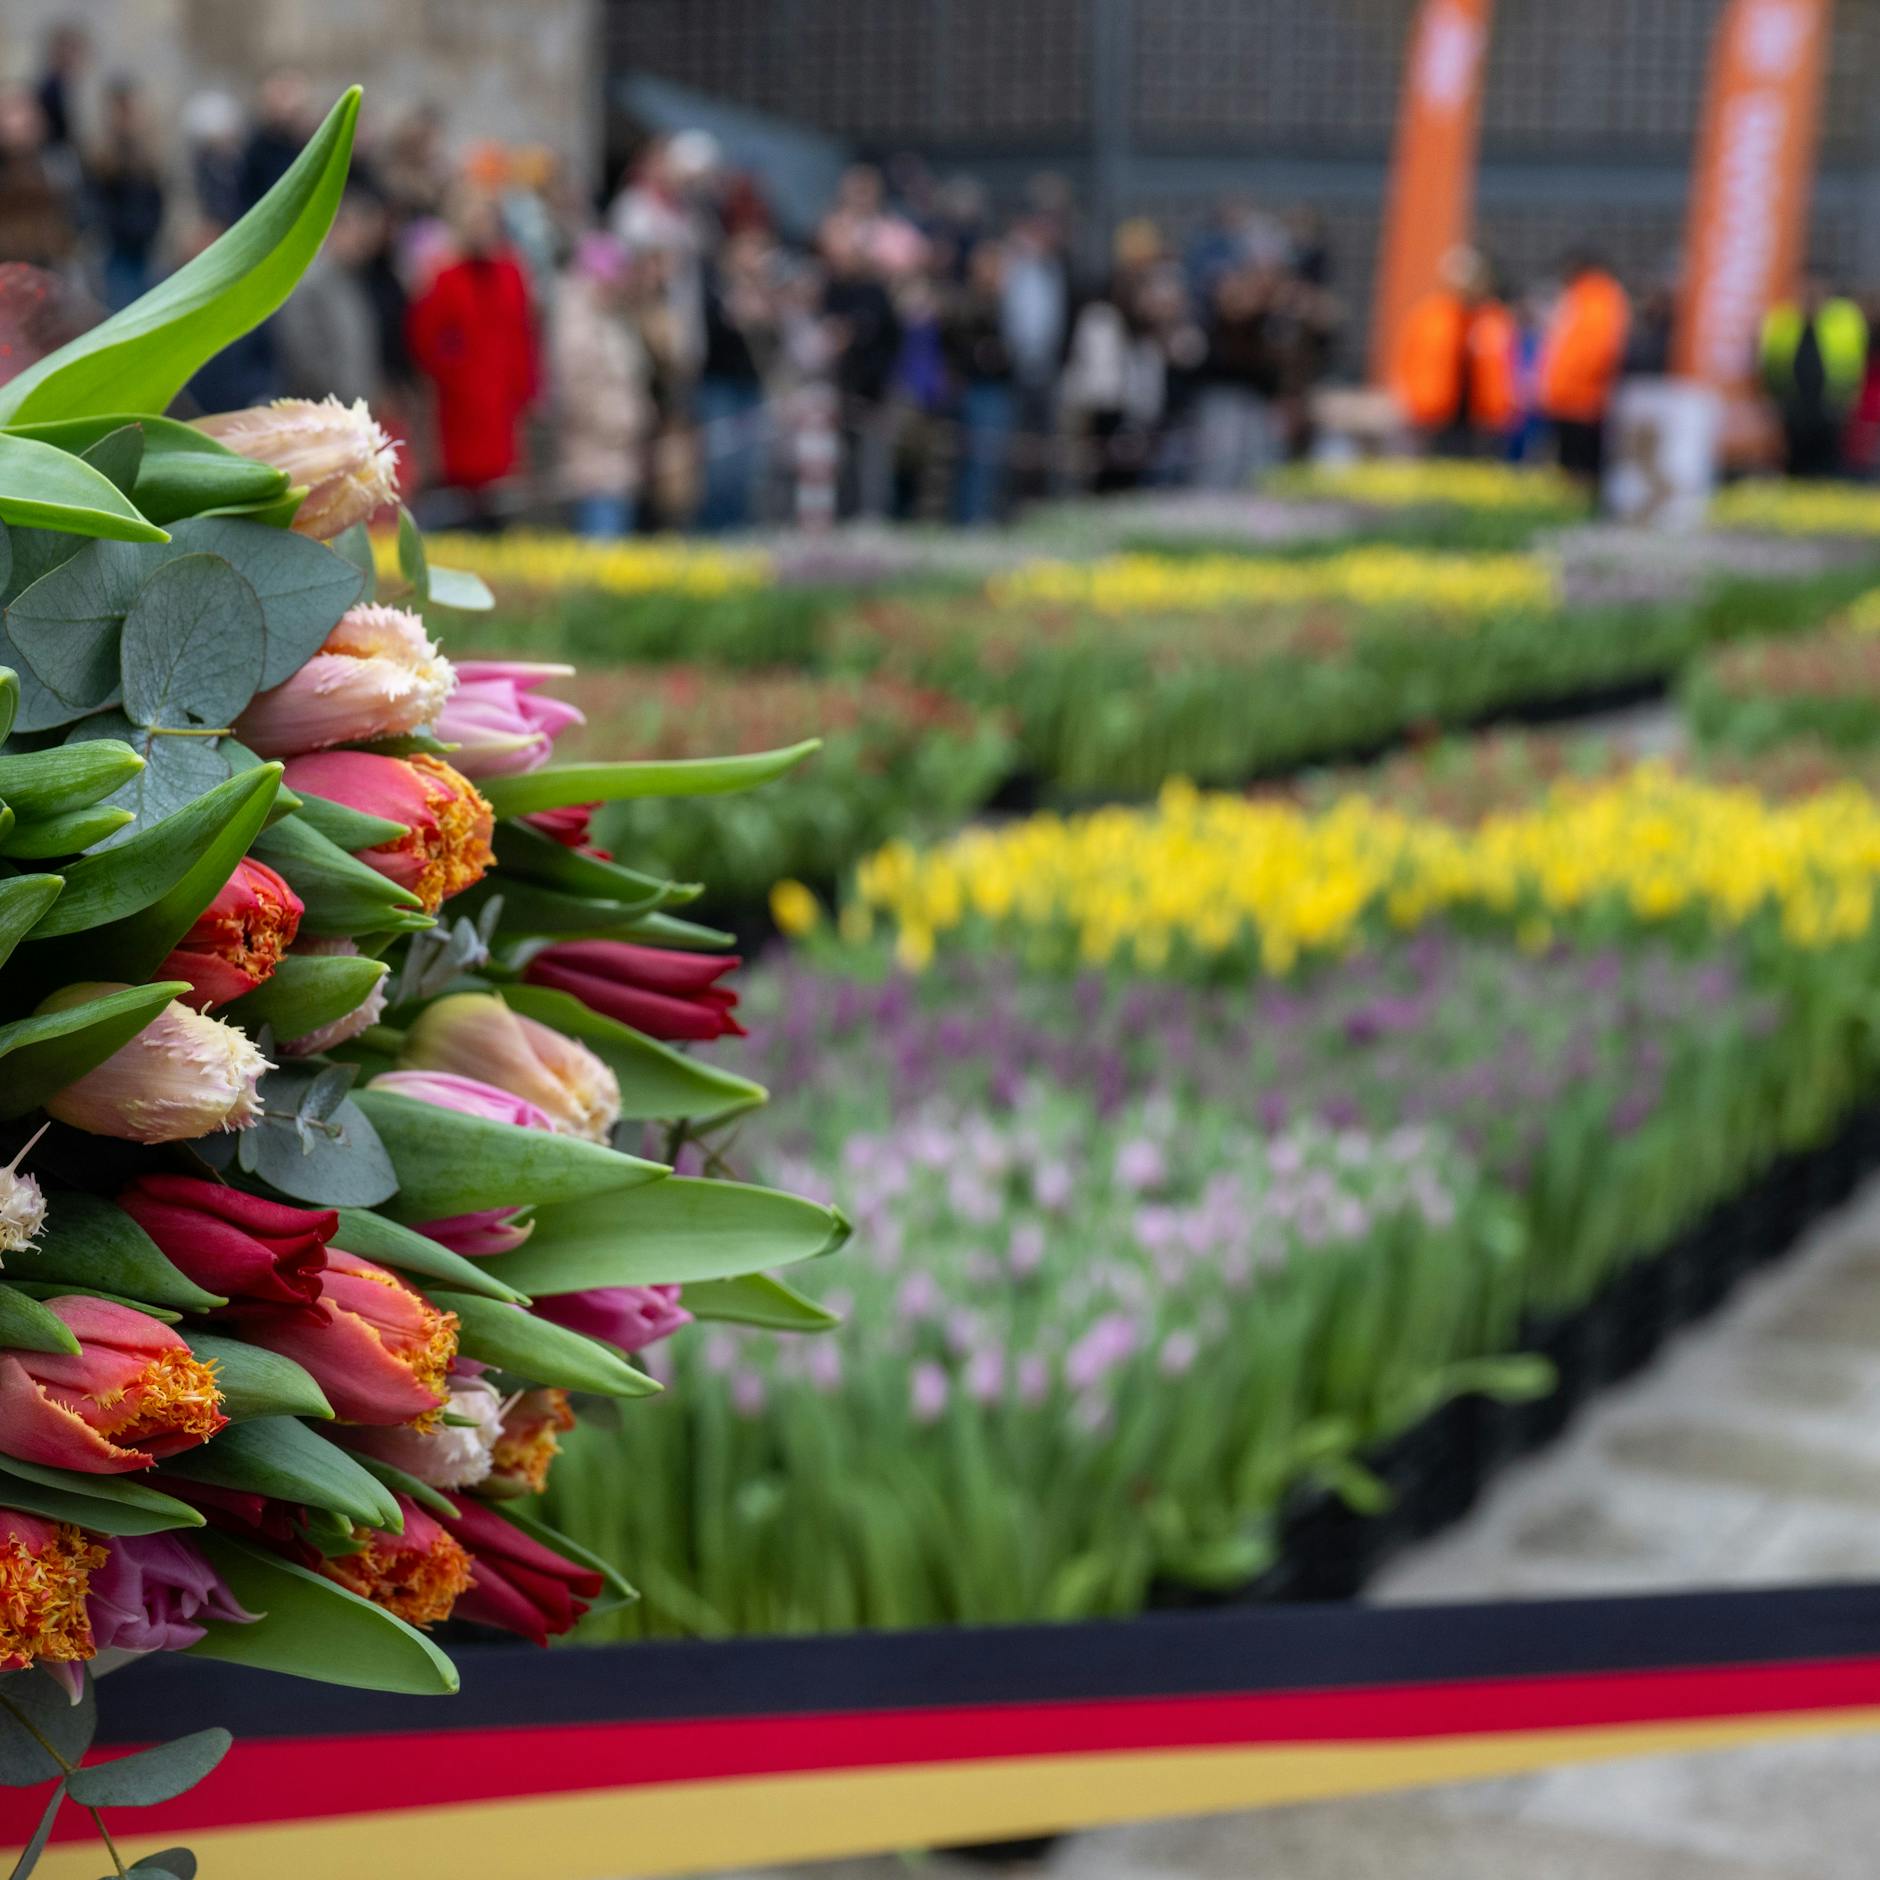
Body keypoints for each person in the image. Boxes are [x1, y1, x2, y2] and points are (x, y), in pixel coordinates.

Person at [406, 187, 538, 527]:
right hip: (461, 409)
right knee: (463, 503)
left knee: (501, 500)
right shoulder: (445, 277)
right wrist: (456, 374)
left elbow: (525, 335)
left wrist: (525, 389)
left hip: (503, 406)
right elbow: (426, 341)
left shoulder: (512, 274)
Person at [549, 233, 652, 537]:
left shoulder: (612, 318)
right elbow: (575, 391)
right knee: (601, 552)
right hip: (594, 459)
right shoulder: (577, 322)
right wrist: (616, 422)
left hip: (620, 458)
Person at [1389, 245, 1517, 456]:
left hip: (1481, 414)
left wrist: (1504, 405)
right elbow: (1407, 359)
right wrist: (1408, 397)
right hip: (1436, 409)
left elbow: (1506, 364)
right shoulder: (1430, 317)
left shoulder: (1493, 318)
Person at [697, 231, 778, 531]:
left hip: (752, 386)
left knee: (748, 467)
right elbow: (704, 337)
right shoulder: (714, 288)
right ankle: (714, 529)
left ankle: (738, 527)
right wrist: (733, 314)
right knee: (721, 467)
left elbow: (776, 346)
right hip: (720, 384)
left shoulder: (768, 293)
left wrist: (767, 314)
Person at [274, 186, 385, 404]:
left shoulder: (351, 277)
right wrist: (338, 396)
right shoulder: (311, 282)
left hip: (354, 406)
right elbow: (304, 352)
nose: (361, 240)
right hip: (324, 407)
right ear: (335, 227)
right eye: (355, 231)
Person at [1760, 270, 1868, 479]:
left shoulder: (1844, 319)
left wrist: (1850, 397)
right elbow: (1770, 361)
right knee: (1795, 459)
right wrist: (1773, 398)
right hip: (1793, 405)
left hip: (1831, 405)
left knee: (1829, 461)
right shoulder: (1783, 319)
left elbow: (1857, 360)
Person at [1538, 249, 1631, 486]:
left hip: (1581, 399)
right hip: (1571, 396)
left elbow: (1596, 350)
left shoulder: (1597, 296)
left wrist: (1573, 382)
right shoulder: (1583, 296)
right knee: (1570, 466)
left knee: (1579, 468)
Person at [944, 238, 1016, 524]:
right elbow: (956, 345)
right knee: (977, 461)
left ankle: (987, 516)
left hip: (999, 389)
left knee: (995, 462)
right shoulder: (968, 302)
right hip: (976, 389)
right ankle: (971, 520)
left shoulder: (1003, 302)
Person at [87, 79, 165, 310]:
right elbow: (95, 199)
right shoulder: (103, 153)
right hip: (116, 248)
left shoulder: (148, 154)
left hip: (145, 245)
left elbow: (157, 198)